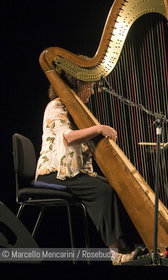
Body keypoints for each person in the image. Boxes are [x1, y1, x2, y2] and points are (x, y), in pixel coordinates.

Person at [35, 69, 135, 265]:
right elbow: (67, 137)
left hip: (69, 172)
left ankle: (125, 247)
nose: (92, 90)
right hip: (52, 173)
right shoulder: (56, 106)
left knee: (114, 186)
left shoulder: (75, 111)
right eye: (88, 85)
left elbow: (74, 147)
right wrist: (98, 129)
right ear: (77, 84)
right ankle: (115, 255)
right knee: (103, 191)